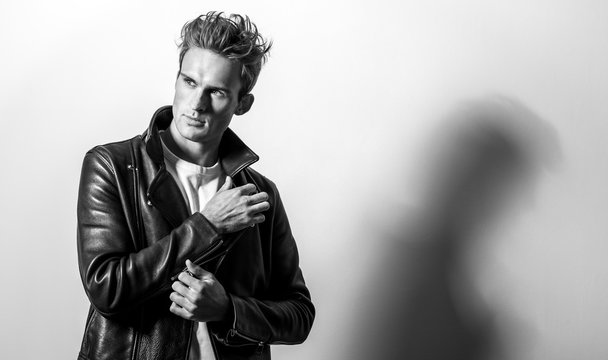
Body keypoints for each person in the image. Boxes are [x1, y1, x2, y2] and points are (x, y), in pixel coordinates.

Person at [76, 12, 314, 360]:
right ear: (176, 80)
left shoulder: (258, 195)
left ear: (242, 104)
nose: (196, 104)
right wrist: (208, 225)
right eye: (189, 82)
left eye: (216, 91)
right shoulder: (113, 166)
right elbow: (106, 288)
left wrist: (228, 310)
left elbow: (299, 315)